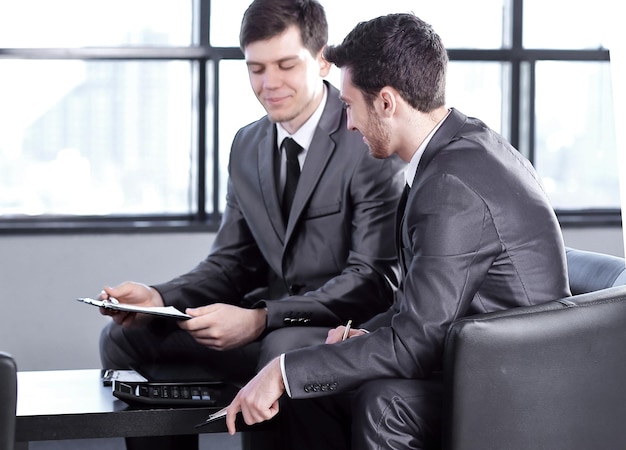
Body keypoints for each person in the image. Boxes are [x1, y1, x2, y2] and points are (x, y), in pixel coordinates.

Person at [223, 12, 571, 450]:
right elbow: (425, 307)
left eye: (350, 107)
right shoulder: (456, 151)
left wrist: (284, 370)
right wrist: (362, 335)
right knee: (317, 385)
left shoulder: (451, 185)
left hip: (512, 381)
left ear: (386, 103)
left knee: (373, 397)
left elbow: (416, 344)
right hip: (476, 358)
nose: (347, 124)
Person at [98, 1, 404, 449]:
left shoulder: (365, 137)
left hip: (335, 330)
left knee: (284, 350)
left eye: (285, 65)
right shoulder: (247, 143)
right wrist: (160, 298)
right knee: (126, 338)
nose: (269, 83)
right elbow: (231, 262)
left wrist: (261, 319)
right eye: (255, 68)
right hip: (266, 326)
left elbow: (373, 282)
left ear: (322, 61)